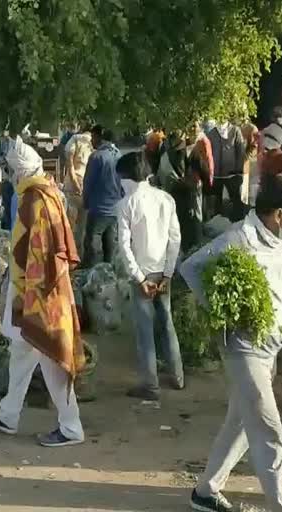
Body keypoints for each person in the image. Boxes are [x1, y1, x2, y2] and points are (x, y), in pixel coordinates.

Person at [181, 174, 282, 512]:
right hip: (243, 348)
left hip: (272, 347)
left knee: (241, 422)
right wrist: (223, 308)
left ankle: (205, 492)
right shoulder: (239, 239)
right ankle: (280, 507)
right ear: (277, 213)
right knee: (269, 429)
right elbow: (191, 268)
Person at [0, 137, 85, 448]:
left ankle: (71, 426)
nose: (10, 176)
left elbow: (35, 251)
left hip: (39, 292)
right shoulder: (45, 194)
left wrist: (24, 287)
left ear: (20, 171)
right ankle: (8, 414)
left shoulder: (35, 200)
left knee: (50, 354)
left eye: (11, 170)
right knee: (23, 352)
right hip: (37, 287)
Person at [116, 151, 183, 401]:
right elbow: (175, 238)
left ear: (126, 177)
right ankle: (177, 376)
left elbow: (124, 246)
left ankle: (150, 384)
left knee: (145, 331)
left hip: (142, 274)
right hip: (162, 270)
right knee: (167, 323)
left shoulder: (126, 204)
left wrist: (139, 278)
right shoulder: (165, 199)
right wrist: (168, 273)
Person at [82, 125, 123, 266]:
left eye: (93, 137)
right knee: (110, 250)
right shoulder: (119, 155)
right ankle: (108, 278)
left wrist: (85, 202)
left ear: (99, 137)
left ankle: (90, 277)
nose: (91, 141)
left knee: (91, 248)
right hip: (114, 210)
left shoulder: (96, 157)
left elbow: (88, 182)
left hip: (98, 210)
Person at [207, 120, 246, 221]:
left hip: (232, 174)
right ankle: (217, 224)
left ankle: (239, 221)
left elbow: (240, 151)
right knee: (216, 201)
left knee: (236, 200)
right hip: (216, 175)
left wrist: (239, 171)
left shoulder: (235, 130)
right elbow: (208, 153)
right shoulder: (212, 133)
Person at [63, 131, 93, 255]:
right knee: (79, 225)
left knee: (73, 224)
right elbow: (70, 166)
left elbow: (70, 166)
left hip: (75, 186)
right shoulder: (84, 142)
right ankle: (75, 254)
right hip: (78, 186)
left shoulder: (74, 141)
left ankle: (72, 253)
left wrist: (75, 183)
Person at [0, 130, 15, 230]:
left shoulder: (22, 143)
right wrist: (4, 159)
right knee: (7, 206)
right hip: (8, 180)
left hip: (20, 180)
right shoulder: (3, 143)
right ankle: (8, 230)